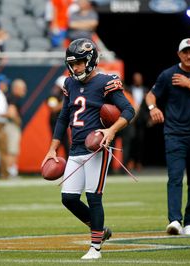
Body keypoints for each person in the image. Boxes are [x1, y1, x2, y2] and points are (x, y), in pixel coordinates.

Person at [41, 38, 135, 259]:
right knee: (69, 198)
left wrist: (110, 131)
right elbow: (63, 117)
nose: (76, 68)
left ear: (91, 60)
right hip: (75, 148)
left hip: (96, 148)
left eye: (80, 63)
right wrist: (52, 148)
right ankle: (100, 230)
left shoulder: (106, 81)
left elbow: (129, 111)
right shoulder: (70, 84)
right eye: (73, 64)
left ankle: (96, 248)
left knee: (94, 197)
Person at [145, 38, 190, 236]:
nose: (188, 55)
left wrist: (189, 85)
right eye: (185, 52)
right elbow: (151, 95)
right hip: (174, 133)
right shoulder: (168, 74)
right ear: (179, 54)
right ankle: (175, 220)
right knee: (175, 177)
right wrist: (153, 108)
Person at [4, 78, 27, 178]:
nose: (24, 91)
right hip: (11, 126)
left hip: (9, 126)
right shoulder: (13, 98)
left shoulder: (11, 97)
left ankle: (10, 172)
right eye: (22, 88)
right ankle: (10, 172)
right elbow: (11, 113)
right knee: (12, 150)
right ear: (16, 88)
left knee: (12, 149)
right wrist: (18, 121)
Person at [47, 75, 70, 156]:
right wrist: (66, 102)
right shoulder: (53, 95)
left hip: (63, 122)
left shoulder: (62, 95)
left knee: (66, 145)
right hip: (55, 123)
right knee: (56, 143)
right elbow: (53, 108)